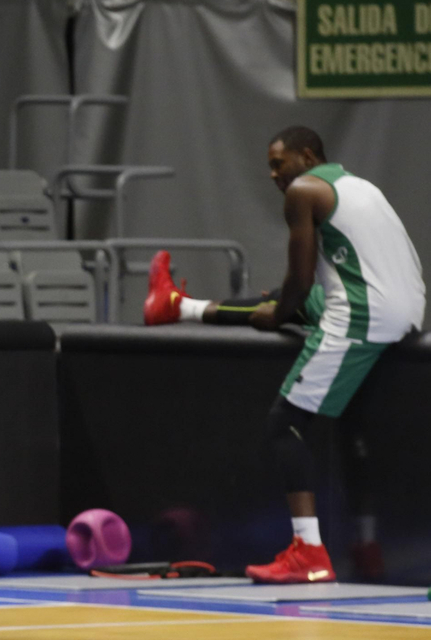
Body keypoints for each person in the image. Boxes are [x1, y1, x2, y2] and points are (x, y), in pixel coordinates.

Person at [143, 126, 424, 583]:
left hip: (362, 315)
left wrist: (278, 317)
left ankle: (309, 553)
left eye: (279, 163)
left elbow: (300, 282)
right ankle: (176, 306)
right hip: (405, 308)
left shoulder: (303, 191)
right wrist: (282, 306)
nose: (274, 174)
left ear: (307, 156)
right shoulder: (359, 186)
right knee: (351, 422)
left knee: (286, 424)